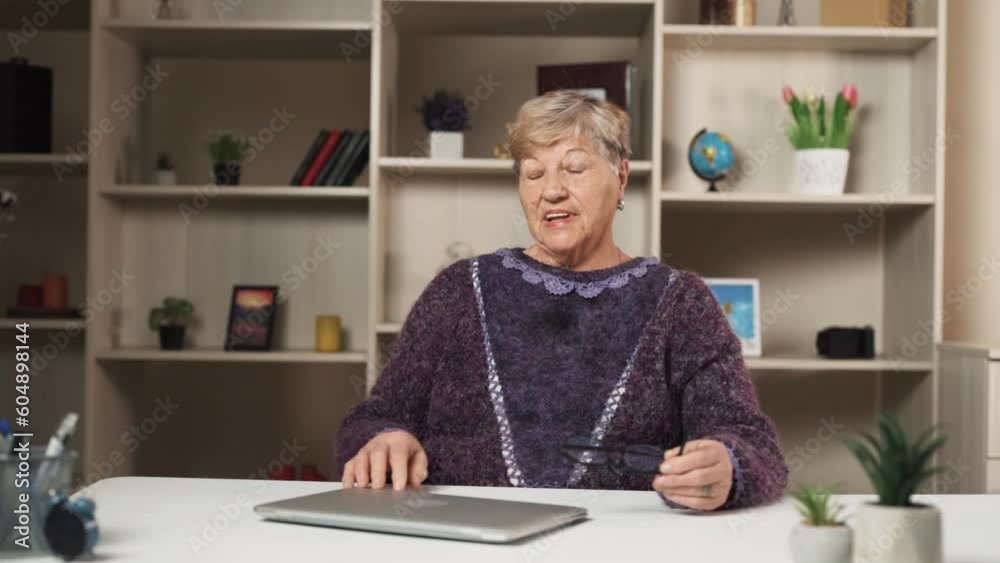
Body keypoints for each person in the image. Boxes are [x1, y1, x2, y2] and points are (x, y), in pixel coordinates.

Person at [336, 90, 788, 511]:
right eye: (533, 173)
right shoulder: (460, 289)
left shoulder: (681, 302)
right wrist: (383, 438)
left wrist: (729, 465)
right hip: (463, 538)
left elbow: (754, 444)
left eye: (574, 168)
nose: (550, 190)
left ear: (621, 177)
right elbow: (375, 418)